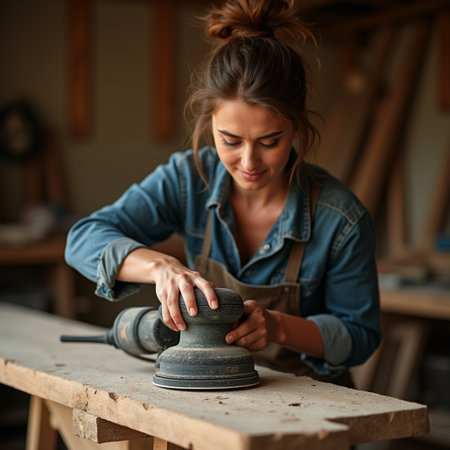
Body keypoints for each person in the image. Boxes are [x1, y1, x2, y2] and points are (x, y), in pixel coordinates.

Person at [65, 0, 381, 384]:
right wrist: (160, 267)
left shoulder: (340, 218)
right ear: (210, 123)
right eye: (230, 140)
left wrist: (278, 328)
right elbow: (82, 240)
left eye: (269, 141)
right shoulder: (187, 180)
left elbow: (361, 337)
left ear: (297, 128)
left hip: (310, 403)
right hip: (206, 396)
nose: (249, 162)